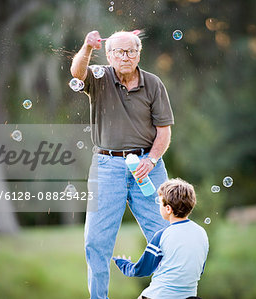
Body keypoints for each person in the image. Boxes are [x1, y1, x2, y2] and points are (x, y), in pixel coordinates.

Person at [70, 30, 175, 299]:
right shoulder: (99, 77)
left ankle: (169, 294)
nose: (125, 56)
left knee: (168, 238)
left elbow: (164, 132)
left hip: (149, 167)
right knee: (96, 242)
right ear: (109, 55)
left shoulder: (153, 84)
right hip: (107, 166)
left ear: (139, 54)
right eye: (118, 51)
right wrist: (86, 47)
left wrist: (151, 160)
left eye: (130, 51)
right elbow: (77, 73)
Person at [113, 178, 209, 299]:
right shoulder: (202, 233)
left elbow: (142, 270)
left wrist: (124, 265)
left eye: (160, 202)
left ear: (168, 209)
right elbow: (199, 269)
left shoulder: (162, 235)